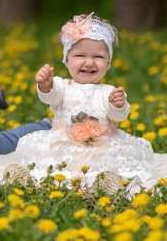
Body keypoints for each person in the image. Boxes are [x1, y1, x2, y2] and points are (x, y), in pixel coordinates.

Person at [15, 13, 154, 184]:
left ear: (108, 63)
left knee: (115, 159)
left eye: (98, 57)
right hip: (65, 145)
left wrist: (117, 105)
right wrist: (45, 85)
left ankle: (104, 182)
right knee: (45, 157)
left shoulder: (109, 92)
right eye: (80, 56)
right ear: (67, 60)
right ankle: (31, 178)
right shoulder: (62, 86)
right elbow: (50, 97)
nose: (89, 62)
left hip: (100, 147)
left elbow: (119, 116)